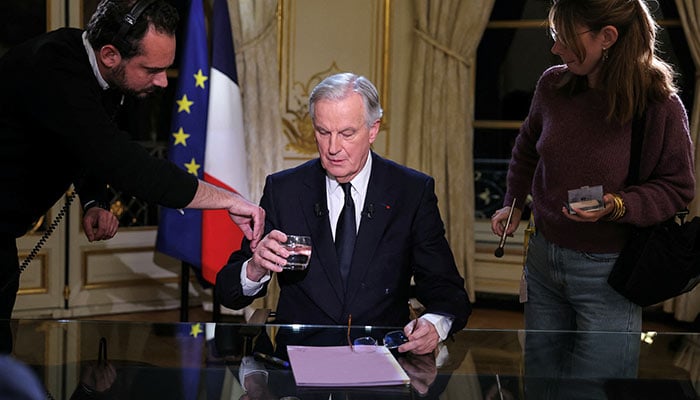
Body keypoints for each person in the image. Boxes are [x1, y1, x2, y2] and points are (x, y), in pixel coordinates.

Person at [0, 0, 264, 321]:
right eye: (152, 70)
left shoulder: (97, 69)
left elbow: (83, 140)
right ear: (110, 55)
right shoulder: (53, 67)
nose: (163, 82)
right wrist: (227, 200)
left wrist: (95, 199)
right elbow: (124, 162)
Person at [490, 0, 695, 398]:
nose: (556, 49)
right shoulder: (553, 84)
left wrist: (617, 206)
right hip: (543, 264)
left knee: (596, 392)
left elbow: (677, 187)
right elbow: (527, 147)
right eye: (555, 37)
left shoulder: (659, 104)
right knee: (540, 387)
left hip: (609, 276)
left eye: (566, 39)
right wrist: (513, 202)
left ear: (608, 37)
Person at [216, 72, 470, 356]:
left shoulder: (411, 191)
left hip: (380, 362)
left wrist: (435, 324)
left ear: (373, 130)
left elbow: (447, 290)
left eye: (347, 134)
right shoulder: (283, 190)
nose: (333, 148)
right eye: (323, 132)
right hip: (299, 363)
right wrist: (255, 267)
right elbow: (229, 292)